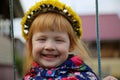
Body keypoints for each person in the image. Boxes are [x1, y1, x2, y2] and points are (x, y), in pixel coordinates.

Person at [21, 0, 118, 80]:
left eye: (59, 40)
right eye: (42, 39)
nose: (49, 46)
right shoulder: (29, 77)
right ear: (31, 44)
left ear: (71, 45)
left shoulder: (83, 76)